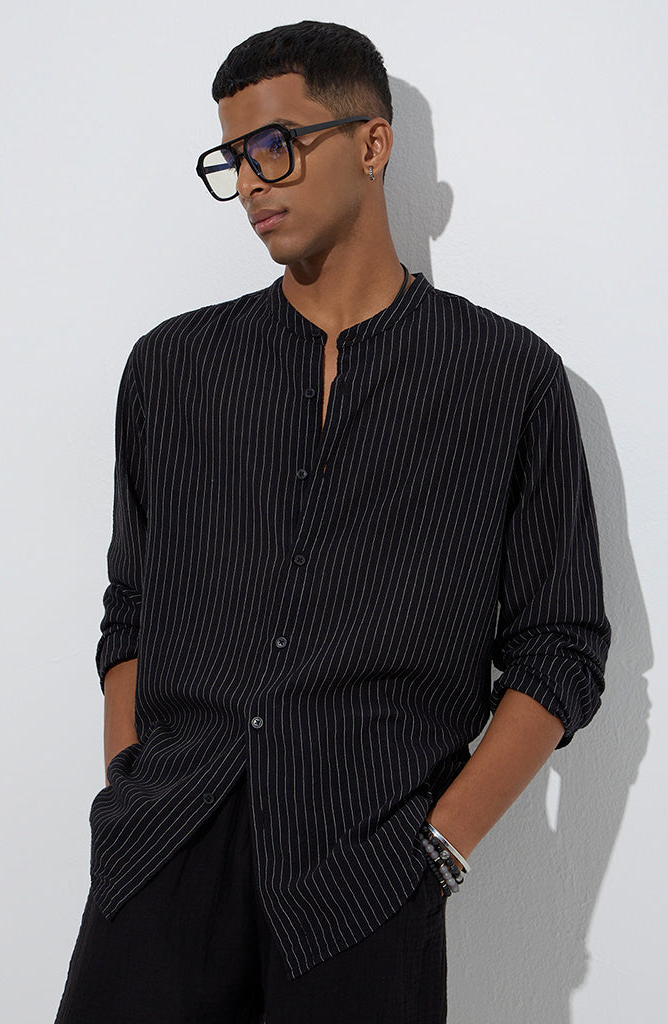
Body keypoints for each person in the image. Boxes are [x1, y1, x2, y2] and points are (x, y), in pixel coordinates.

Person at [54, 20, 610, 1024]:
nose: (251, 183)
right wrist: (127, 795)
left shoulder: (506, 379)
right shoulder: (174, 369)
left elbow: (560, 648)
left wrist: (439, 850)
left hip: (365, 881)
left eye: (276, 146)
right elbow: (130, 609)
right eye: (233, 158)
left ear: (371, 143)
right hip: (161, 864)